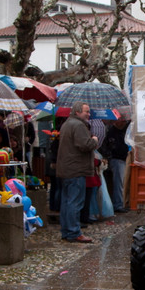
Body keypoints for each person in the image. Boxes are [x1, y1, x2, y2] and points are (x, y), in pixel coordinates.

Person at [57, 103, 99, 243]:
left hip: (66, 169)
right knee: (75, 202)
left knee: (67, 202)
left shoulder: (66, 124)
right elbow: (85, 145)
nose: (89, 114)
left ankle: (67, 231)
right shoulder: (78, 125)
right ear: (77, 112)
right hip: (76, 170)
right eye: (86, 111)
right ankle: (74, 232)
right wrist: (94, 140)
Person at [101, 117, 130, 215]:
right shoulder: (111, 132)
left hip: (120, 158)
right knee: (119, 182)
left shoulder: (119, 130)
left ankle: (120, 203)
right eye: (122, 120)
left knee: (120, 182)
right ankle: (118, 204)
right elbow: (111, 147)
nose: (124, 122)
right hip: (117, 159)